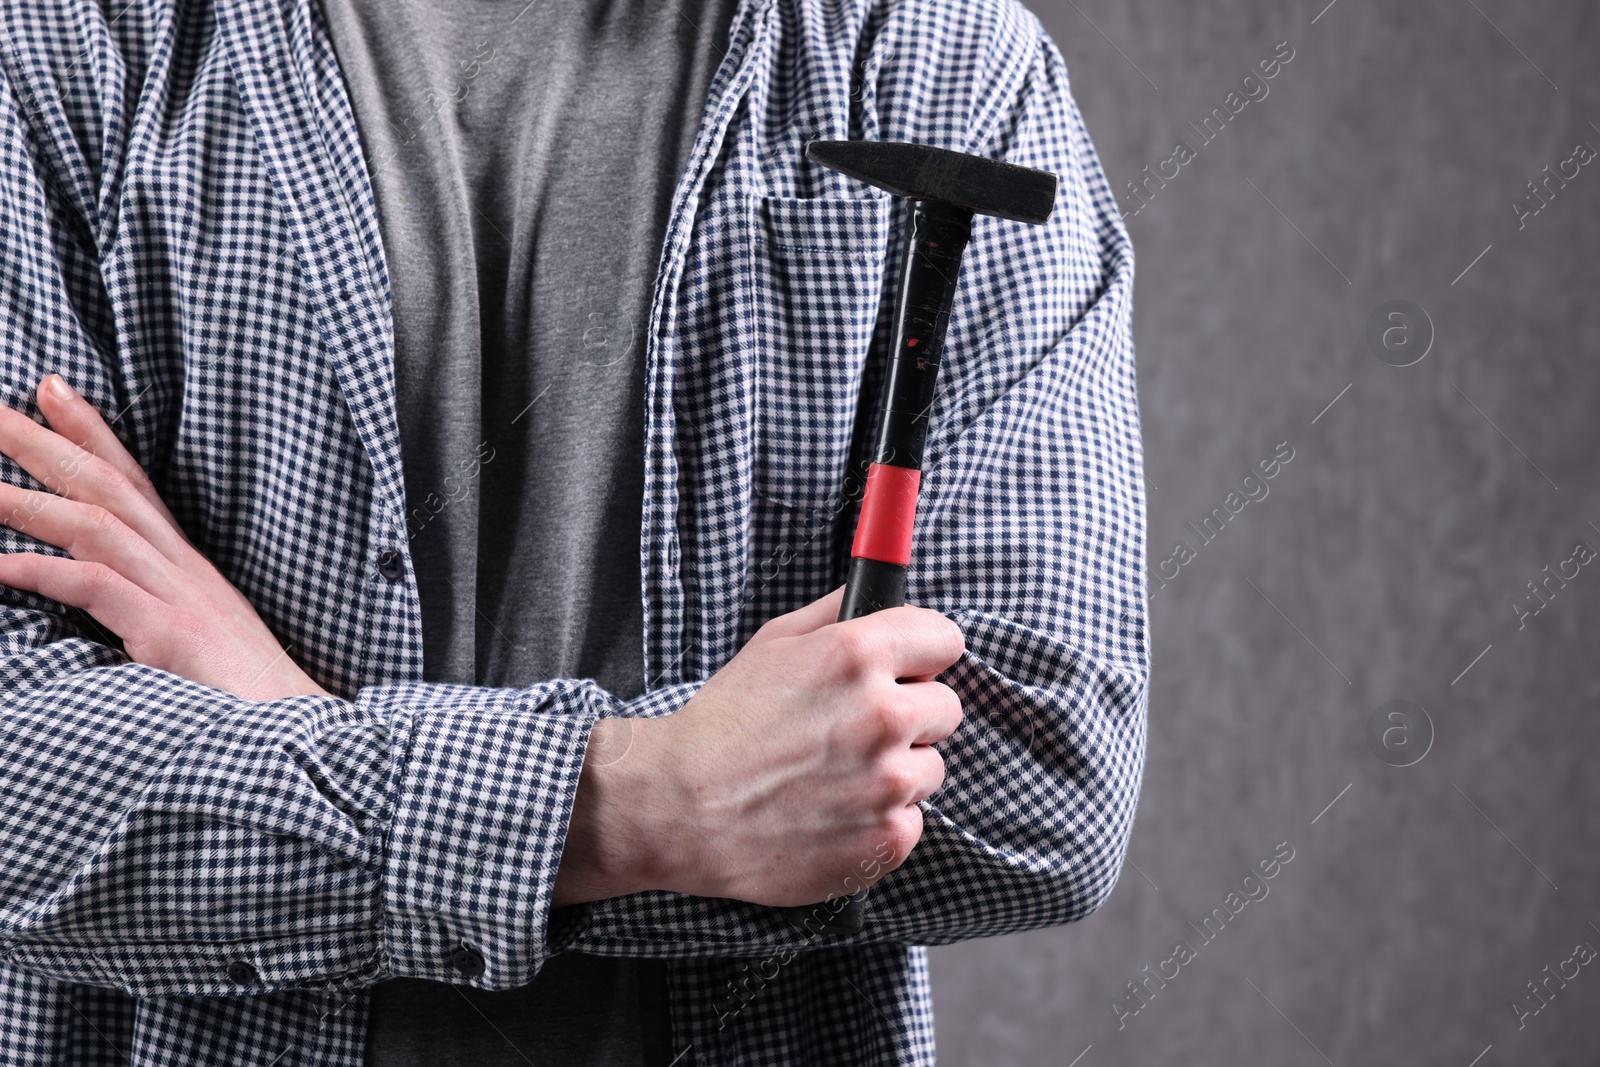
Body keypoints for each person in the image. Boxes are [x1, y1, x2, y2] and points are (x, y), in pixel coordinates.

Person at [0, 0, 1148, 1062]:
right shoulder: (58, 50)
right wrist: (653, 798)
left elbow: (1040, 777)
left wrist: (294, 730)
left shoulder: (932, 61)